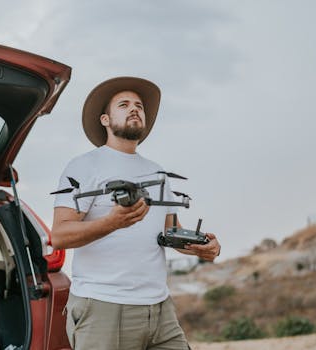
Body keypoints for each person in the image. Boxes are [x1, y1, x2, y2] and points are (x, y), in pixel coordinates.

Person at [51, 76, 221, 349]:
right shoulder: (83, 167)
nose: (134, 109)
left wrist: (202, 247)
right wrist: (111, 223)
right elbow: (59, 235)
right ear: (105, 119)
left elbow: (170, 234)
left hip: (160, 310)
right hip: (103, 308)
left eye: (139, 106)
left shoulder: (158, 173)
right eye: (124, 104)